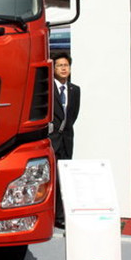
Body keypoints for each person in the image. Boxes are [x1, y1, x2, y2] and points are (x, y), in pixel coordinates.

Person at [49, 53, 81, 227]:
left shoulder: (75, 90)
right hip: (51, 140)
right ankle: (50, 213)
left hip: (66, 140)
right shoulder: (48, 88)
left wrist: (64, 132)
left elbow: (72, 116)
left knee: (64, 178)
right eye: (60, 65)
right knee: (51, 178)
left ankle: (60, 216)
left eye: (66, 65)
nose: (63, 68)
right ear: (53, 69)